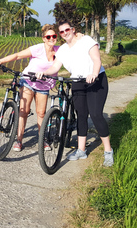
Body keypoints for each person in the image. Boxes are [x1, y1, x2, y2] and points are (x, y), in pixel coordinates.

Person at [36, 19, 114, 167]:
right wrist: (44, 73)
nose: (65, 33)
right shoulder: (63, 50)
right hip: (77, 82)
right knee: (81, 116)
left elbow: (97, 60)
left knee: (96, 114)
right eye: (62, 32)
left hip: (95, 81)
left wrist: (94, 73)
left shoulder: (86, 40)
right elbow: (55, 67)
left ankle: (108, 151)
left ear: (73, 29)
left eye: (67, 30)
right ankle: (81, 150)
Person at [0, 24, 60, 152]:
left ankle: (43, 140)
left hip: (44, 85)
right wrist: (1, 61)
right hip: (28, 82)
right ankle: (19, 140)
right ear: (43, 38)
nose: (51, 38)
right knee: (24, 112)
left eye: (54, 36)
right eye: (48, 36)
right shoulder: (37, 49)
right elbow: (18, 56)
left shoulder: (59, 51)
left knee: (41, 113)